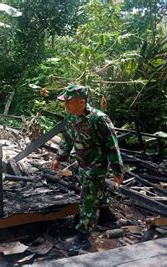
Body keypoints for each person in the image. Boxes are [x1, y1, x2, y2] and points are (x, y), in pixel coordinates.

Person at [50, 84, 124, 255]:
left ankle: (83, 234)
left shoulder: (99, 119)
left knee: (87, 198)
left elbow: (112, 146)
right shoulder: (71, 118)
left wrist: (117, 170)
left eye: (69, 102)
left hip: (98, 164)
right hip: (82, 163)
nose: (66, 106)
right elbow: (67, 139)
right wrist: (59, 157)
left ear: (82, 102)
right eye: (65, 102)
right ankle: (106, 214)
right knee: (94, 188)